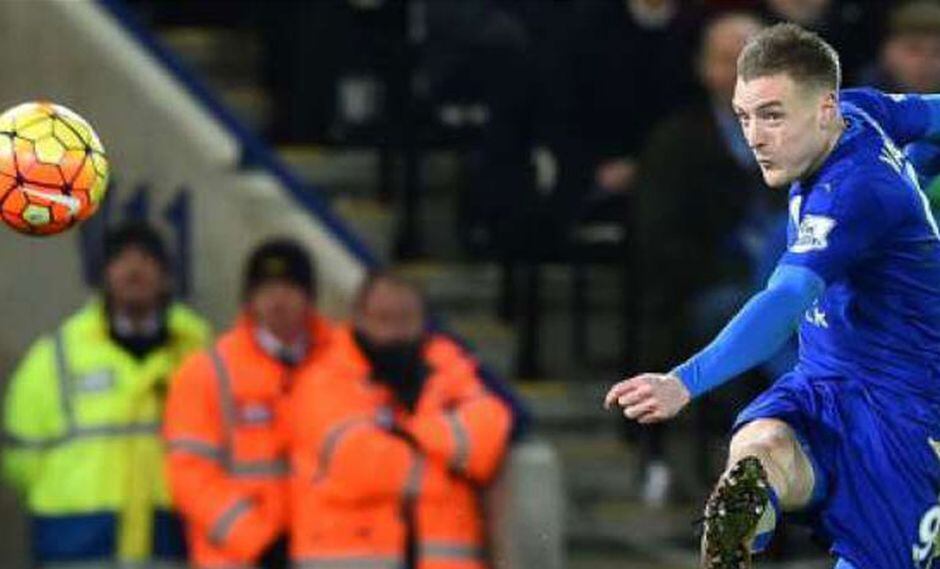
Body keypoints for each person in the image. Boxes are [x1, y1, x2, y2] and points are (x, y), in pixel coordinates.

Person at [605, 23, 940, 569]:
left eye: (773, 116)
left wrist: (685, 381)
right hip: (824, 383)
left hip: (900, 414)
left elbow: (786, 297)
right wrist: (922, 165)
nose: (754, 137)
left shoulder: (854, 192)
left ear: (824, 110)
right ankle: (740, 520)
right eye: (744, 116)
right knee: (759, 451)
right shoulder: (863, 111)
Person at [2, 221, 211, 567]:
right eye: (122, 259)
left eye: (146, 259)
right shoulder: (55, 358)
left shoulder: (198, 355)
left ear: (166, 276)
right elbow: (20, 463)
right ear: (103, 275)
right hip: (75, 550)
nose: (134, 269)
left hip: (168, 546)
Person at [630, 11, 767, 505]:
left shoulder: (810, 136)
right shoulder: (675, 142)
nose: (741, 72)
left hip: (796, 281)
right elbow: (660, 241)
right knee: (752, 317)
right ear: (705, 69)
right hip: (706, 287)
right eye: (728, 60)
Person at [289, 271, 512, 569]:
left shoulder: (447, 366)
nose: (395, 331)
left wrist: (409, 432)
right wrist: (452, 472)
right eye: (383, 319)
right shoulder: (323, 377)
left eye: (406, 319)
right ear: (359, 319)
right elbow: (360, 462)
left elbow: (489, 430)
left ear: (423, 322)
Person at [163, 239, 333, 569]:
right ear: (249, 299)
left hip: (323, 553)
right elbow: (191, 477)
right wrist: (259, 542)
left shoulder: (343, 365)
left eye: (290, 288)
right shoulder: (207, 372)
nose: (278, 300)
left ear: (309, 298)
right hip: (238, 558)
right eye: (266, 289)